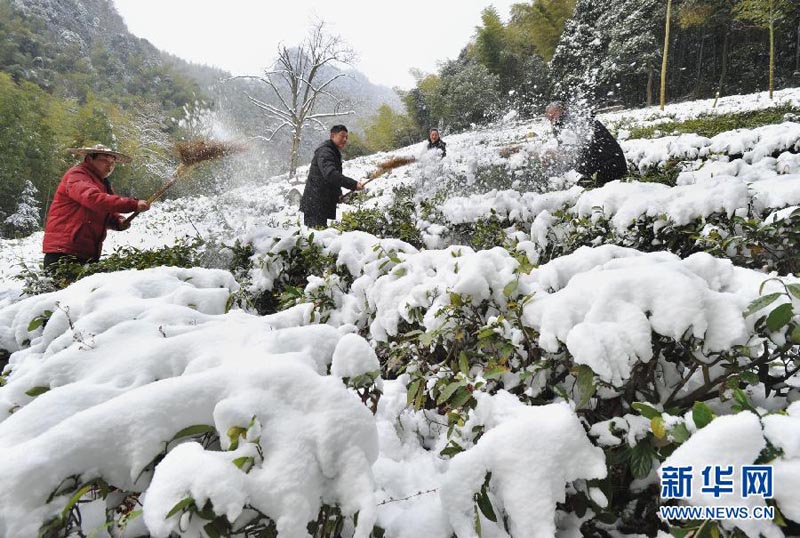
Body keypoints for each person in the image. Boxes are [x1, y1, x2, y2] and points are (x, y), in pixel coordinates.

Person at [42, 144, 150, 269]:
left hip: (86, 252)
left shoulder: (102, 183)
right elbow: (94, 199)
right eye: (104, 161)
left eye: (112, 163)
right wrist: (133, 204)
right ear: (89, 160)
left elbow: (104, 211)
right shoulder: (77, 175)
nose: (109, 166)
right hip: (64, 251)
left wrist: (117, 221)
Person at [544, 101, 627, 187]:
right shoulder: (565, 122)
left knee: (566, 168)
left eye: (553, 116)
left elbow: (573, 153)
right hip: (605, 164)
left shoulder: (575, 122)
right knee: (561, 166)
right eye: (549, 118)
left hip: (610, 168)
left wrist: (555, 155)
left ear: (562, 111)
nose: (551, 120)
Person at [299, 125, 364, 228]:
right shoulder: (326, 152)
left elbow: (329, 180)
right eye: (342, 136)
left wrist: (338, 194)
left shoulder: (332, 152)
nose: (345, 139)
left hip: (319, 203)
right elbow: (331, 174)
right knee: (316, 237)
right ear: (332, 135)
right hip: (315, 204)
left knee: (319, 235)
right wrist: (353, 184)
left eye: (346, 137)